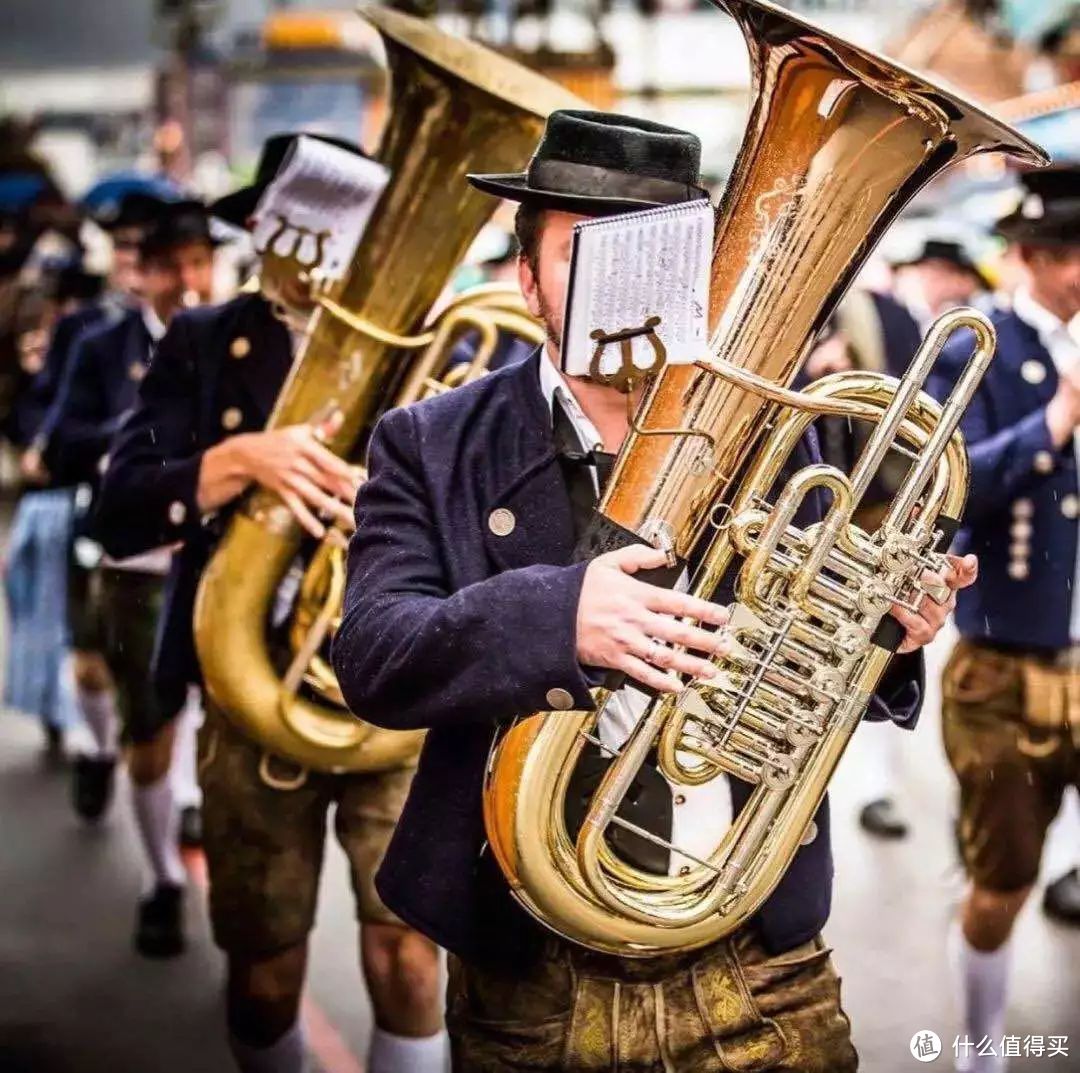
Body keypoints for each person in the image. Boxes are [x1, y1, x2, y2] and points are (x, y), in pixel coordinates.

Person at [332, 109, 974, 1072]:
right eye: (586, 254)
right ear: (527, 281)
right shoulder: (428, 440)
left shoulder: (788, 426)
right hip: (529, 972)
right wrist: (559, 617)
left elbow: (831, 643)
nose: (622, 286)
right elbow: (375, 655)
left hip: (759, 955)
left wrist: (892, 625)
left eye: (656, 255)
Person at [95, 131, 446, 1073]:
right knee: (261, 974)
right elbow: (118, 508)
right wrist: (239, 460)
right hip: (252, 694)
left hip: (394, 687)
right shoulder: (205, 342)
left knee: (412, 955)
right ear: (261, 226)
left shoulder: (433, 340)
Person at [927, 166, 1080, 1073]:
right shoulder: (978, 350)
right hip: (1003, 667)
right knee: (1003, 883)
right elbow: (953, 490)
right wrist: (1055, 420)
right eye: (1072, 260)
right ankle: (981, 1051)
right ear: (1029, 258)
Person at [44, 199, 217, 956]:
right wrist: (137, 438)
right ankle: (160, 876)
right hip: (135, 563)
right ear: (141, 274)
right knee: (145, 727)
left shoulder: (233, 340)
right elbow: (57, 440)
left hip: (218, 563)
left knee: (215, 721)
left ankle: (187, 803)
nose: (190, 280)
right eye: (173, 266)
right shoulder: (101, 343)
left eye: (200, 262)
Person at [803, 288, 925, 840]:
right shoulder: (801, 303)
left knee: (875, 639)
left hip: (875, 502)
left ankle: (875, 784)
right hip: (806, 502)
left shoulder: (895, 312)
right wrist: (812, 377)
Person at [892, 237, 993, 331]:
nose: (933, 277)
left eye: (942, 272)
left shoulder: (973, 311)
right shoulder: (908, 310)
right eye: (929, 269)